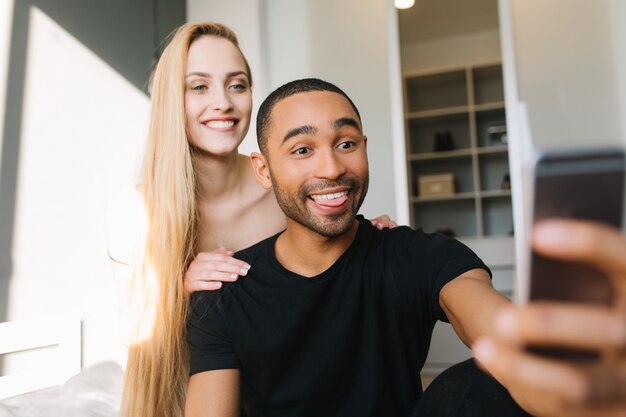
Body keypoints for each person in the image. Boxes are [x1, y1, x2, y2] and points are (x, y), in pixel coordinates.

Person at [185, 78, 626, 417]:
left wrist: (562, 364)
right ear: (263, 170)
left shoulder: (414, 254)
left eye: (346, 144)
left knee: (476, 384)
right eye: (302, 149)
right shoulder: (226, 291)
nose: (332, 167)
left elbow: (500, 336)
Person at [107, 23, 395, 417]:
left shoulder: (282, 189)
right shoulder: (136, 210)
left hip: (280, 396)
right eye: (199, 87)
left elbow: (329, 286)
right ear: (171, 100)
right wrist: (181, 288)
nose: (223, 102)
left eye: (237, 85)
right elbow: (135, 336)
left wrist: (369, 240)